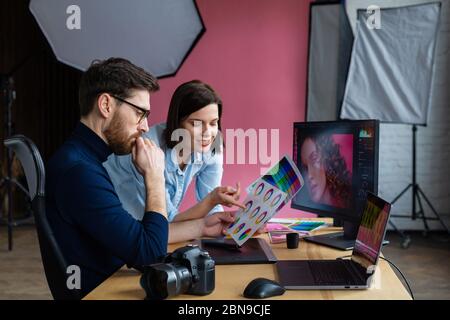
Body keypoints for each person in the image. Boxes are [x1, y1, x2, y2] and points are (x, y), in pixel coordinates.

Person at [45, 58, 235, 298]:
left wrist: (203, 226)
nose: (145, 126)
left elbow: (136, 235)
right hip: (104, 291)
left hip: (115, 279)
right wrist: (154, 177)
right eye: (139, 113)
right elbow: (149, 250)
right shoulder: (79, 172)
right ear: (106, 105)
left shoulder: (85, 159)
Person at [104, 80, 244, 223]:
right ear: (177, 122)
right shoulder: (147, 151)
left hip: (151, 229)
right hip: (111, 223)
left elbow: (212, 209)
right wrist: (212, 200)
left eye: (213, 123)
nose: (207, 132)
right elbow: (166, 220)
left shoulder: (212, 145)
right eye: (196, 123)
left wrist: (237, 224)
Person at [299, 134, 352, 208]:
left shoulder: (348, 204)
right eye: (305, 167)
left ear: (327, 158)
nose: (309, 176)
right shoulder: (305, 206)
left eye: (314, 159)